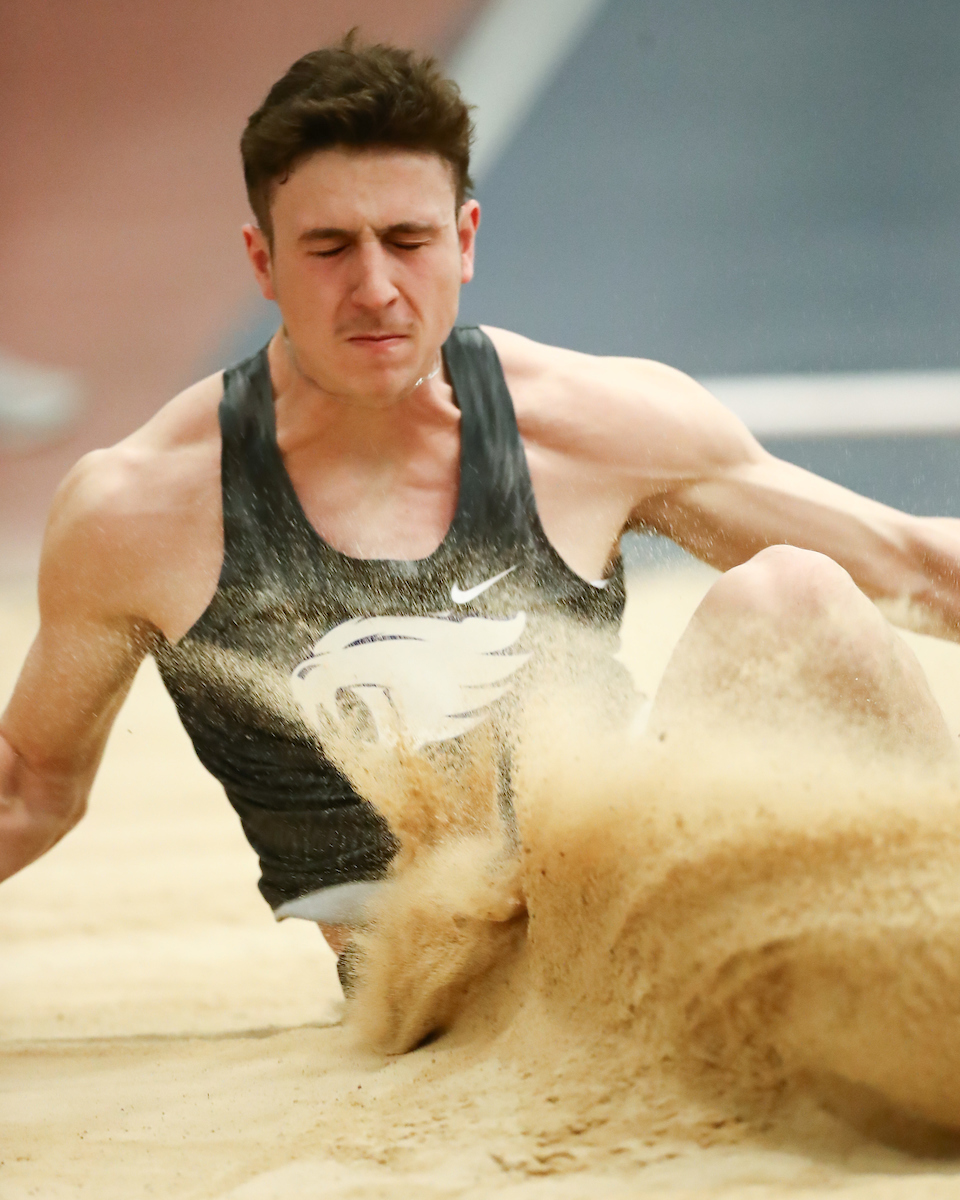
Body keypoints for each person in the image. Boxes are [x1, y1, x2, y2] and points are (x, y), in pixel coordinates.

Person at [2, 36, 959, 965]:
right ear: (262, 263)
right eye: (330, 248)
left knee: (790, 596)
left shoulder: (592, 427)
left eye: (407, 240)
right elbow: (29, 787)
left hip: (642, 899)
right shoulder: (143, 506)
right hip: (434, 984)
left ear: (463, 241)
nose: (374, 289)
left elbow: (919, 569)